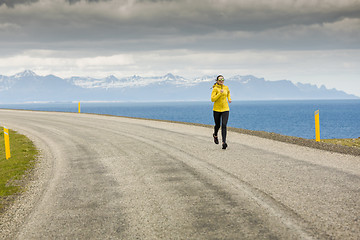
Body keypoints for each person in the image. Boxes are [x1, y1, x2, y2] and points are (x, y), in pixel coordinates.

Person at [211, 75, 232, 149]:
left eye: (223, 79)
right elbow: (212, 99)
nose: (221, 81)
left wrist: (229, 98)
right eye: (220, 79)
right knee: (217, 125)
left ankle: (224, 142)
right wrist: (219, 93)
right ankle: (215, 135)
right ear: (217, 81)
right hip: (216, 109)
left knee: (224, 125)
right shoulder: (215, 89)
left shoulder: (226, 87)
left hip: (225, 109)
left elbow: (228, 93)